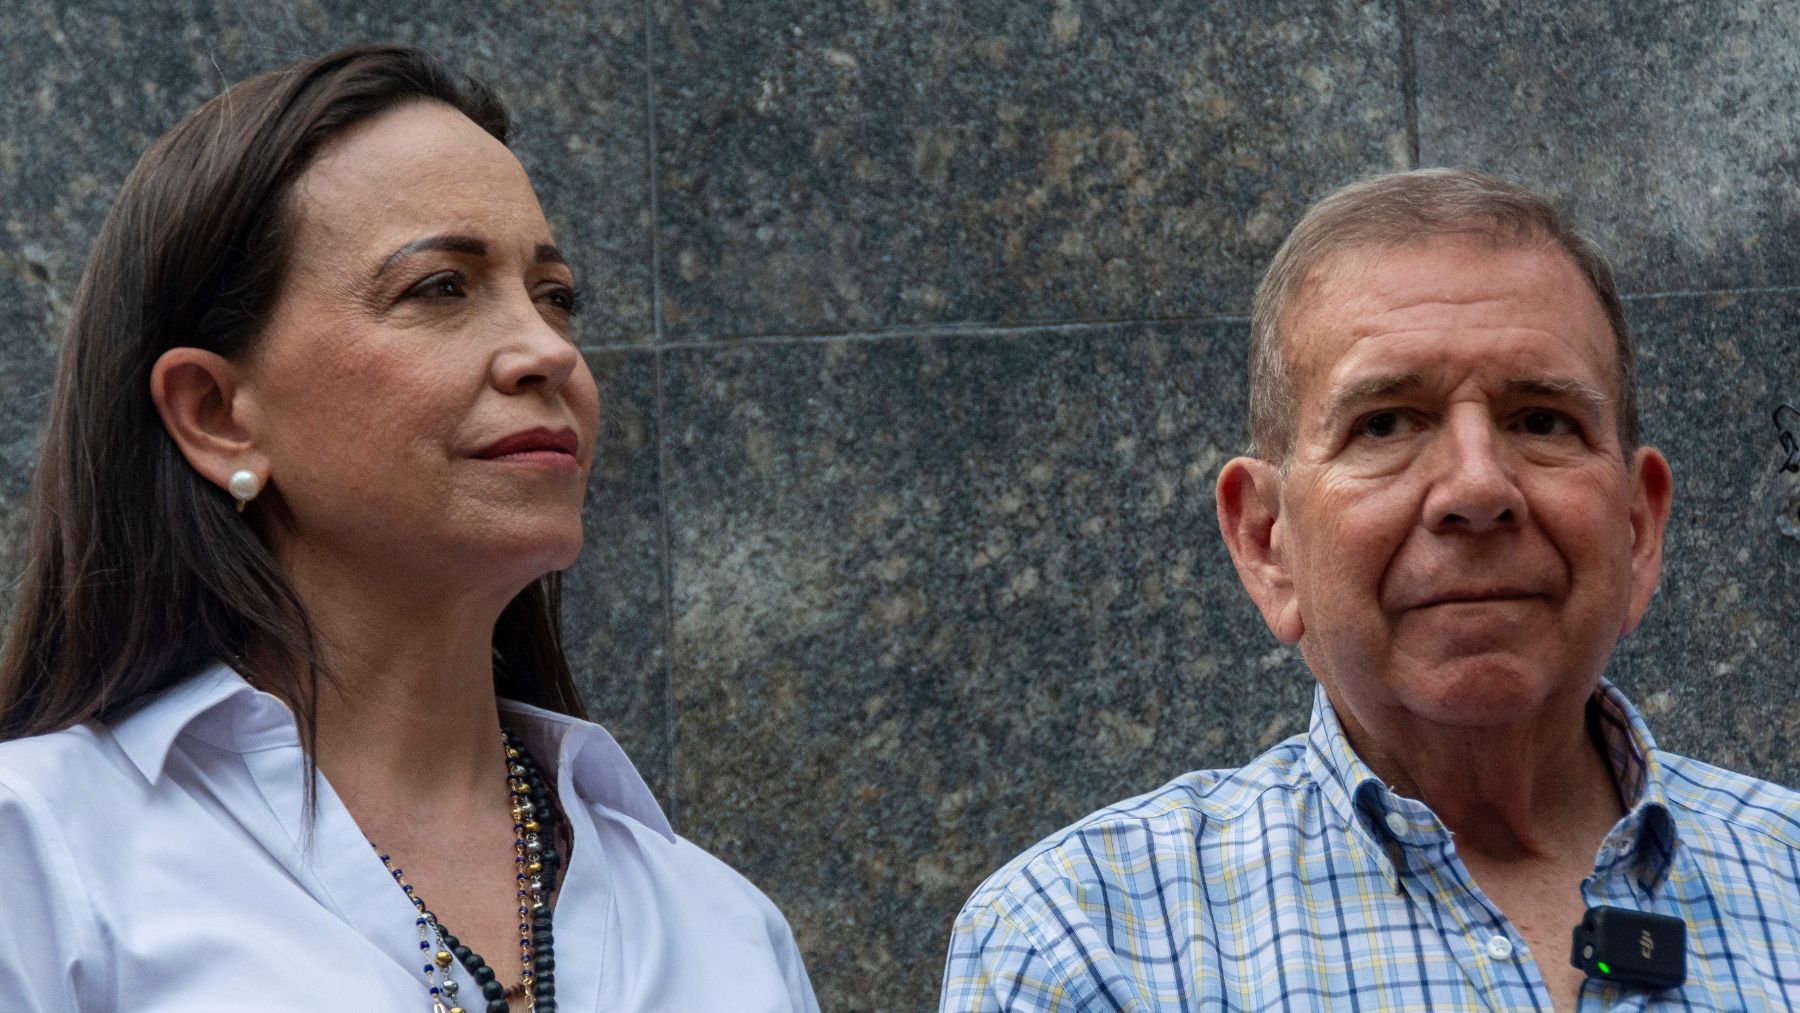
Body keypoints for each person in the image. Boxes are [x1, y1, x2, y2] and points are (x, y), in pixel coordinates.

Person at [0, 45, 818, 1012]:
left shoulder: (716, 926)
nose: (548, 351)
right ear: (217, 413)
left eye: (556, 296)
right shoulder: (41, 855)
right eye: (441, 287)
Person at [940, 169, 1800, 1011]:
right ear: (1267, 543)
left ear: (1638, 530)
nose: (1476, 487)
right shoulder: (1085, 942)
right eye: (1385, 423)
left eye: (1542, 419)